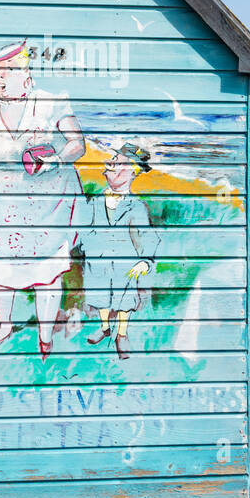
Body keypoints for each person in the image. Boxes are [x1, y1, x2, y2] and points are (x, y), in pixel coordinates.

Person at [0, 39, 86, 358]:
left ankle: (46, 336)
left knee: (46, 273)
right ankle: (4, 326)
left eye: (8, 70)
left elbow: (77, 144)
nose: (0, 78)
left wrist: (56, 160)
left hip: (45, 206)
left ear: (27, 75)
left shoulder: (51, 103)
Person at [83, 144, 159, 360]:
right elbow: (84, 227)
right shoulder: (96, 201)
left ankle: (121, 334)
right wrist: (86, 246)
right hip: (97, 260)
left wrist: (145, 261)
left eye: (118, 162)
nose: (111, 165)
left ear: (132, 172)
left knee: (124, 299)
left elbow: (148, 236)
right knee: (100, 296)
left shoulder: (136, 206)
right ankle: (105, 327)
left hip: (125, 263)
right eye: (112, 162)